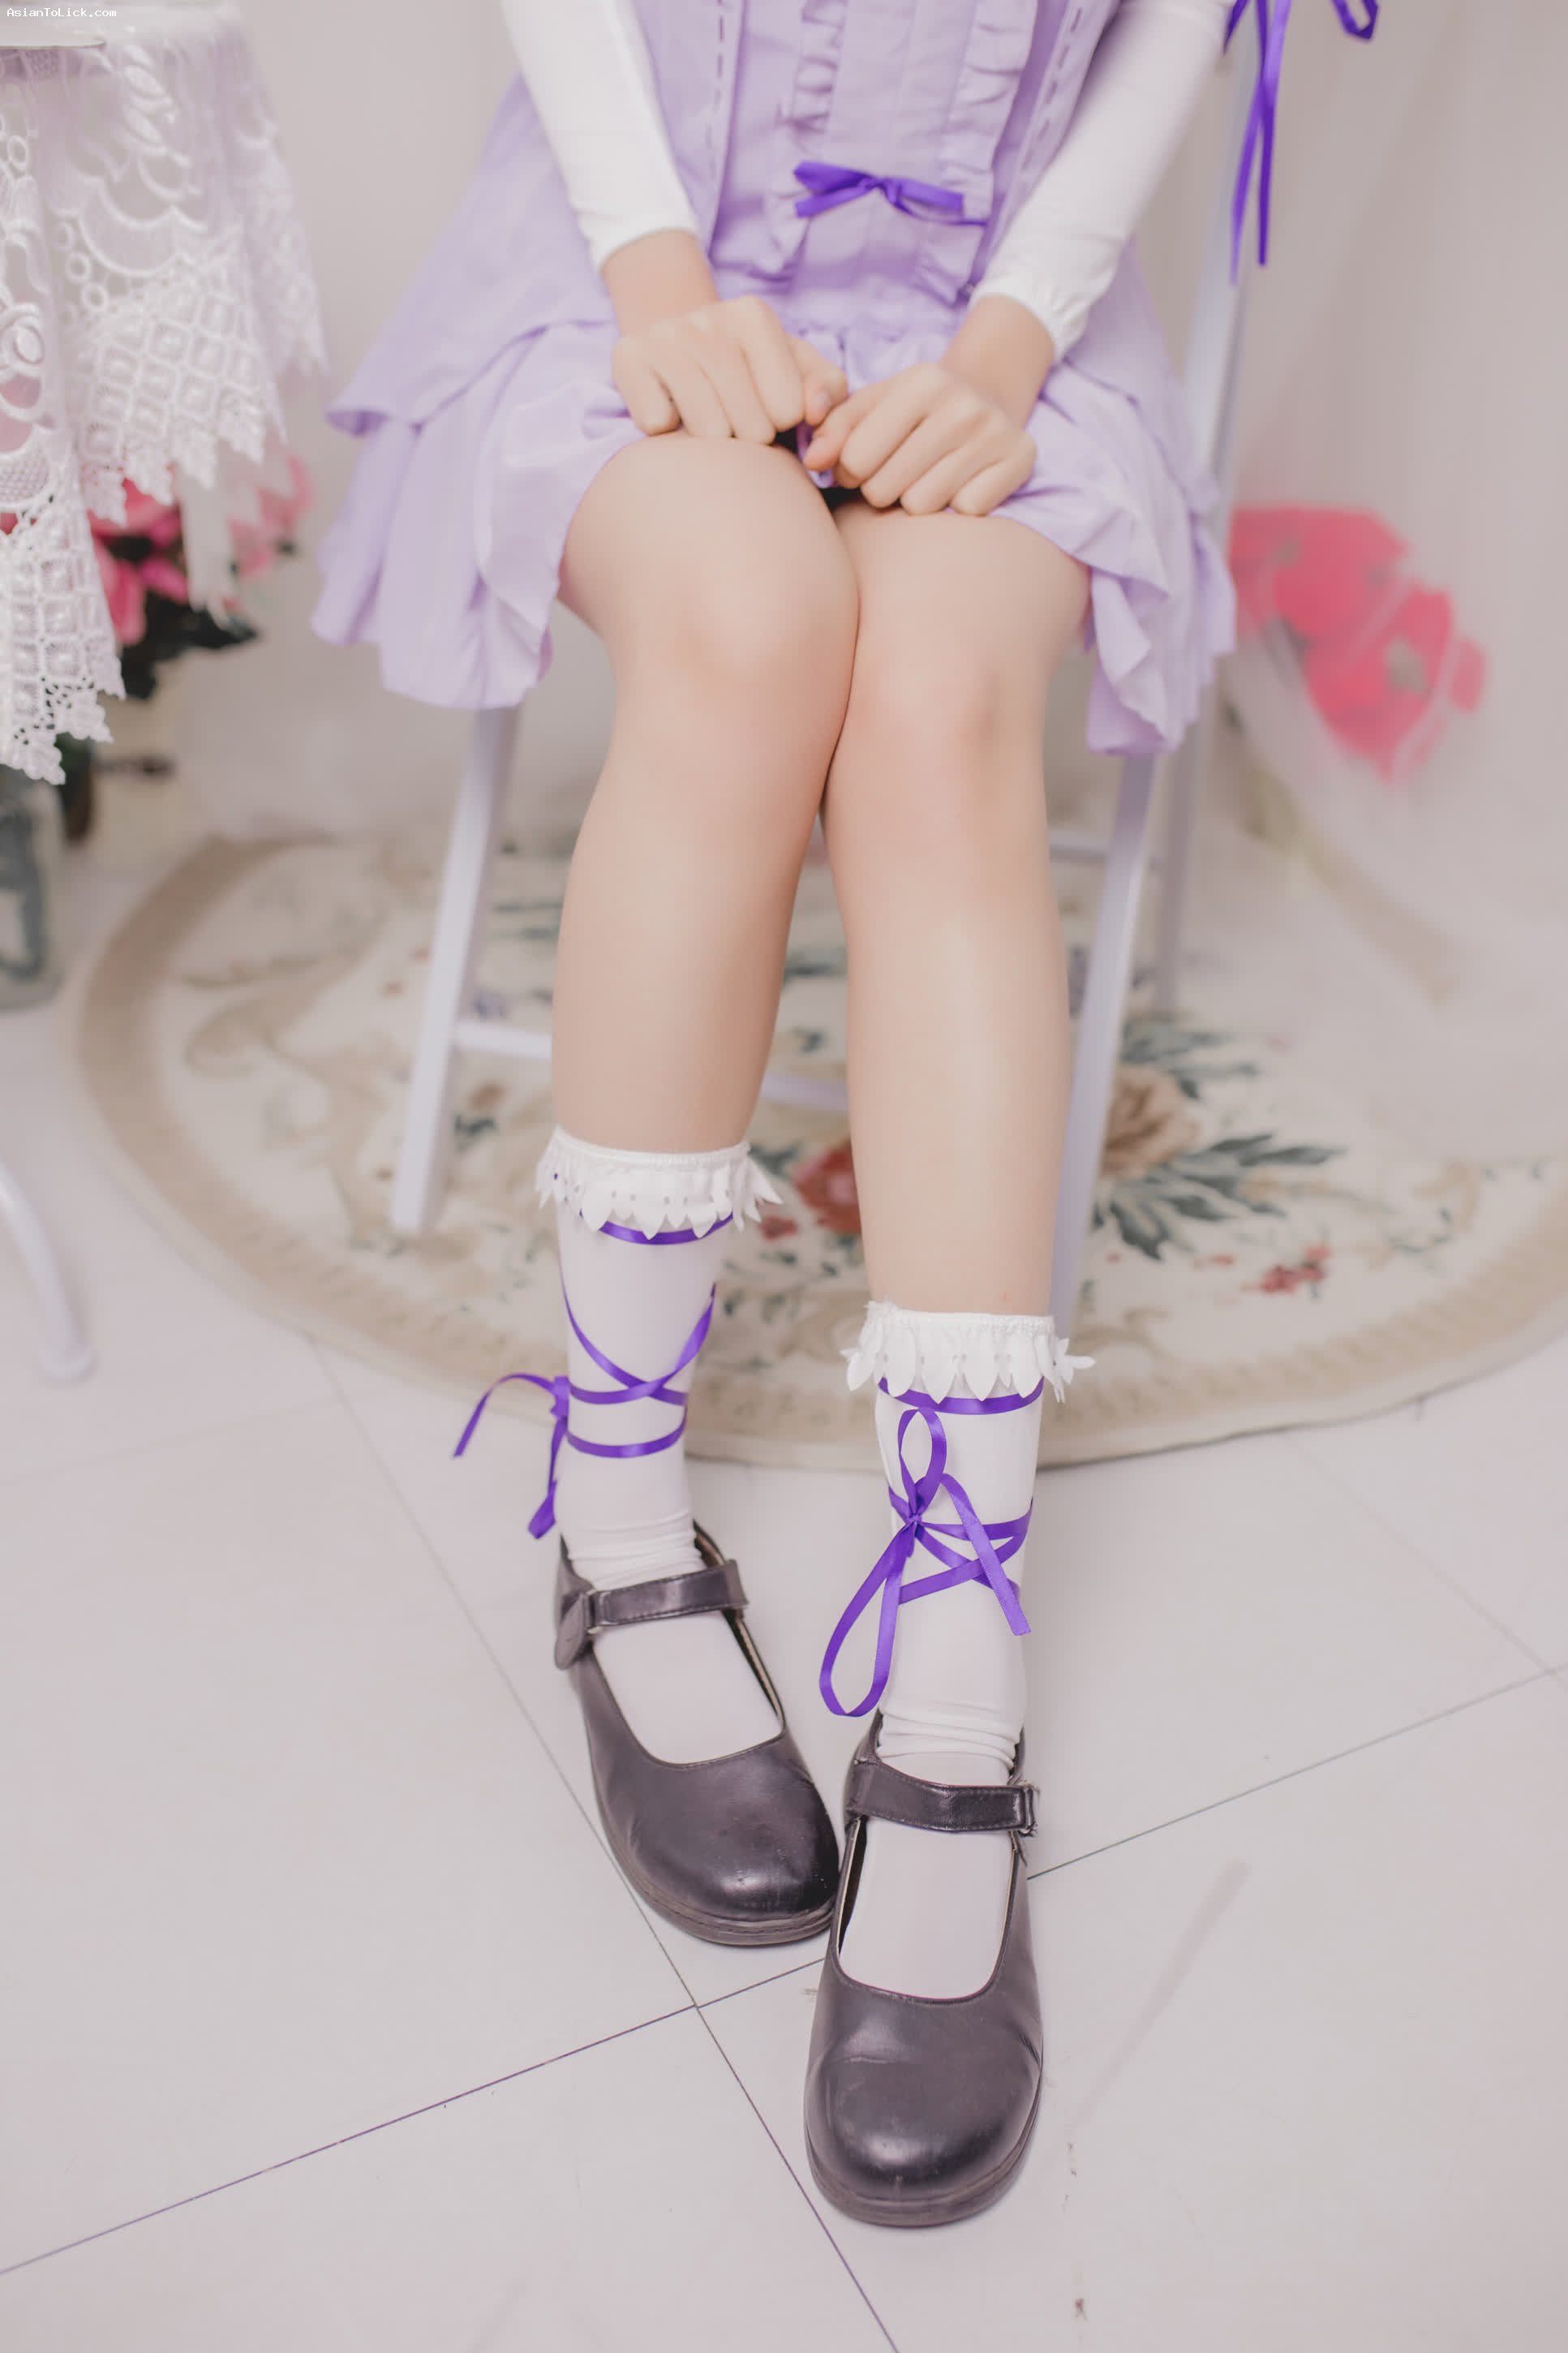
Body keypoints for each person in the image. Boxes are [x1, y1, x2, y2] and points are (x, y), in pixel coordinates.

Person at [315, 0, 1242, 2227]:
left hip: (1001, 306)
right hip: (632, 245)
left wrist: (1009, 345)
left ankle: (956, 1687)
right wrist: (657, 274)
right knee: (750, 621)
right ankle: (621, 1519)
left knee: (931, 702)